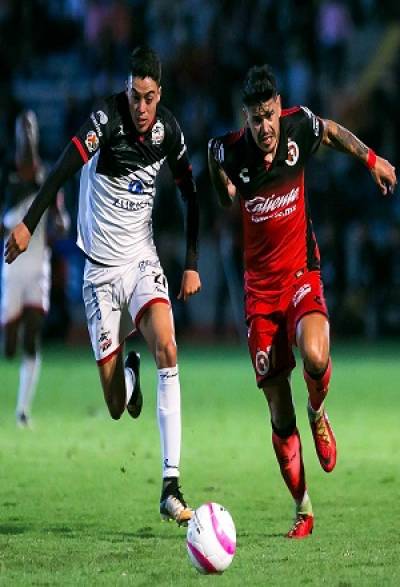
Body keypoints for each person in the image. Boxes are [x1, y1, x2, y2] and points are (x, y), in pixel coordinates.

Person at [5, 46, 201, 525]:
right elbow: (60, 172)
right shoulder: (104, 123)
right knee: (116, 405)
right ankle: (128, 376)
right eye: (134, 95)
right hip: (99, 274)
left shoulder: (168, 132)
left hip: (140, 262)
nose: (140, 106)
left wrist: (191, 263)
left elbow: (189, 192)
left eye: (149, 97)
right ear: (127, 90)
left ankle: (171, 485)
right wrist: (30, 224)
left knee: (169, 350)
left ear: (160, 95)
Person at [208, 64, 397, 539]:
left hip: (299, 274)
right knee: (277, 410)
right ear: (245, 118)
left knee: (316, 353)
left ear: (279, 109)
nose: (266, 127)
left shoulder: (297, 126)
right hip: (259, 293)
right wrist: (221, 182)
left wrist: (371, 159)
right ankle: (303, 508)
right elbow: (218, 181)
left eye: (270, 115)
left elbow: (331, 132)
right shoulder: (231, 150)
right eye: (256, 119)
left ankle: (319, 412)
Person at [1, 110, 69, 427]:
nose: (27, 134)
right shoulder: (7, 178)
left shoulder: (48, 178)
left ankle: (23, 410)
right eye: (22, 128)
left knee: (32, 339)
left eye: (31, 127)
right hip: (13, 270)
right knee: (11, 346)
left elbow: (61, 217)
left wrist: (60, 223)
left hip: (38, 269)